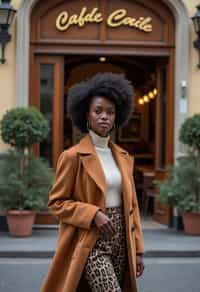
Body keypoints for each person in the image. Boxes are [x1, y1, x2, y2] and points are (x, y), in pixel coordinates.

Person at [41, 73, 145, 292]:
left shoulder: (123, 157)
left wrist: (138, 250)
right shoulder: (73, 156)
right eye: (98, 111)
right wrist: (93, 214)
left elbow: (133, 207)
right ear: (86, 114)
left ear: (117, 117)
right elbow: (56, 203)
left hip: (122, 243)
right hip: (91, 243)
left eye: (110, 112)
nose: (104, 116)